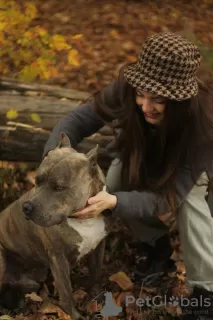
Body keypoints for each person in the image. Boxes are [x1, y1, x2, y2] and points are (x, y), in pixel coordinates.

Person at [43, 32, 213, 319]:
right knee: (118, 179)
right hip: (142, 155)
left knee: (190, 204)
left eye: (157, 100)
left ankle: (205, 291)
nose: (145, 107)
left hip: (193, 177)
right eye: (141, 95)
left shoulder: (204, 122)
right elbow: (77, 120)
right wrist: (51, 159)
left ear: (179, 100)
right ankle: (157, 250)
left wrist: (114, 203)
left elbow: (166, 199)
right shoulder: (128, 87)